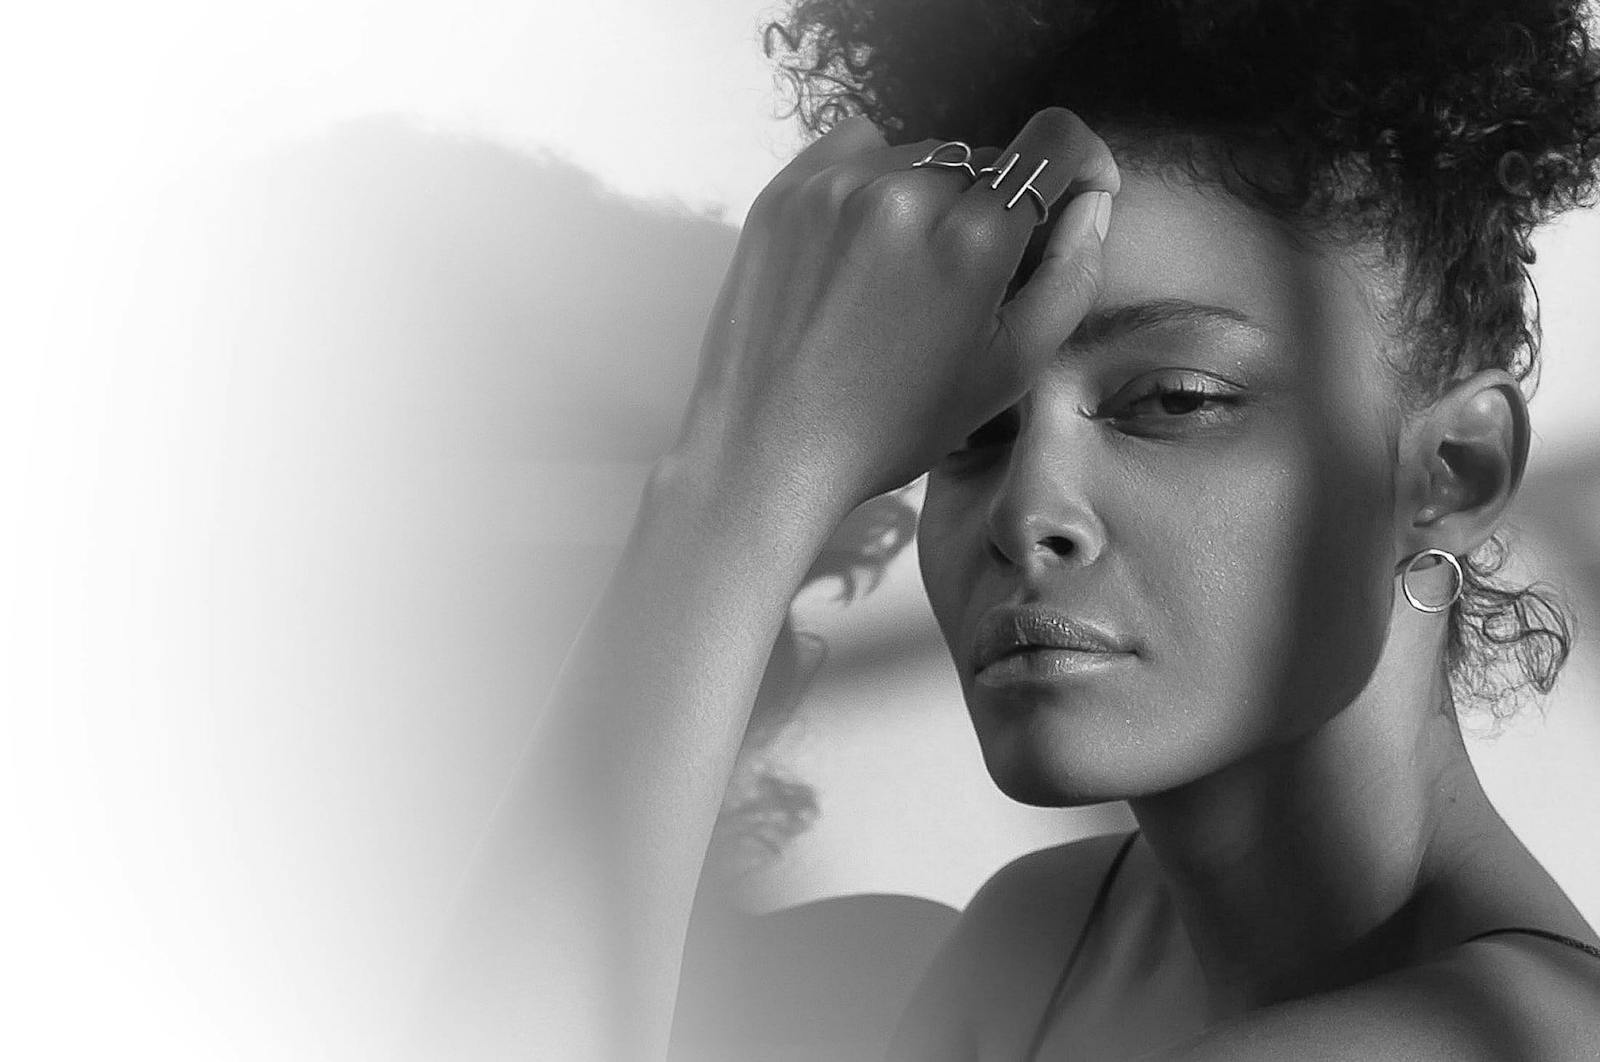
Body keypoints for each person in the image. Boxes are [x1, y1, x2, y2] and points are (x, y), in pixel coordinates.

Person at [408, 1, 1600, 1059]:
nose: (1030, 510)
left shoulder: (1473, 1036)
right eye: (974, 431)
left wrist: (736, 485)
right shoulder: (1038, 943)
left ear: (1451, 468)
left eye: (1173, 401)